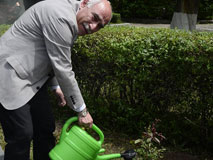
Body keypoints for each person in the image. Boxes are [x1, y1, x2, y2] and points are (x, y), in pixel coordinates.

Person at [0, 0, 112, 159]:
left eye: (100, 25)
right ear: (84, 3)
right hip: (10, 75)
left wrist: (55, 86)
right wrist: (82, 110)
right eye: (95, 18)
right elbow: (63, 67)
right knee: (21, 134)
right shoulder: (61, 16)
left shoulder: (71, 17)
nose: (93, 27)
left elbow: (50, 54)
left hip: (30, 79)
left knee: (45, 126)